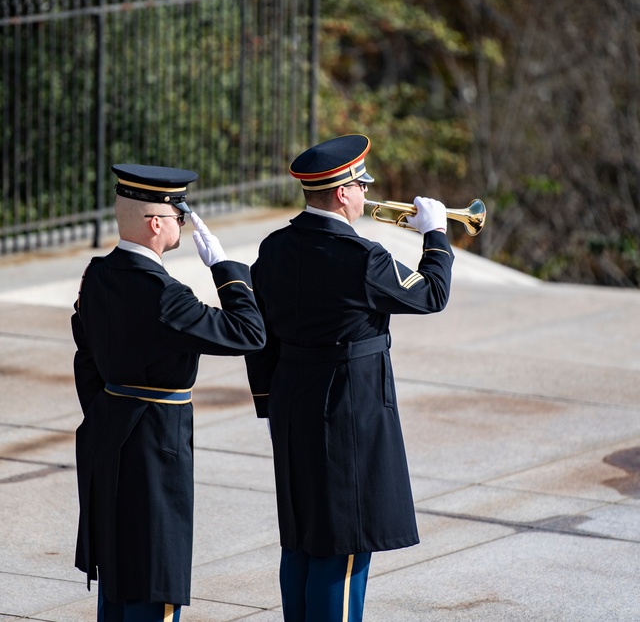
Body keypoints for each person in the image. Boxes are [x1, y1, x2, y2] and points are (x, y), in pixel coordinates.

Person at [245, 134, 453, 622]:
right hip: (349, 414)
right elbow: (432, 293)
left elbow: (261, 336)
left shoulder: (273, 249)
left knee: (301, 539)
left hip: (292, 406)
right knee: (344, 545)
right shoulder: (363, 258)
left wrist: (270, 401)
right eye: (360, 185)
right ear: (341, 193)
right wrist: (437, 234)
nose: (365, 193)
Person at [71, 163, 266, 622]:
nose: (183, 220)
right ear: (155, 223)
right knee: (156, 576)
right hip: (156, 445)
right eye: (177, 213)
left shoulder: (96, 276)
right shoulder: (165, 294)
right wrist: (226, 269)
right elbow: (249, 332)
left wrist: (107, 409)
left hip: (108, 435)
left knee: (118, 572)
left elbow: (86, 356)